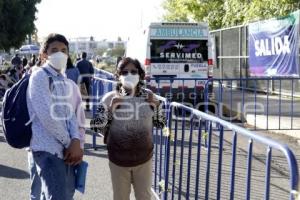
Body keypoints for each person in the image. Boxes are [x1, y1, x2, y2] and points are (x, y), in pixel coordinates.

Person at [91, 57, 166, 200]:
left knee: (144, 197)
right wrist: (111, 109)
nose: (129, 75)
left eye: (133, 71)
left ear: (140, 75)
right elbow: (96, 126)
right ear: (118, 76)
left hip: (144, 159)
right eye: (124, 72)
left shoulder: (150, 97)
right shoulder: (109, 98)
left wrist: (156, 106)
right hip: (118, 160)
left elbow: (160, 124)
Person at [26, 33, 84, 200]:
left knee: (61, 195)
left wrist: (76, 141)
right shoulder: (39, 77)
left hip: (65, 150)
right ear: (44, 55)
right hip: (47, 149)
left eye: (64, 50)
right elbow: (47, 116)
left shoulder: (64, 80)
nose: (60, 53)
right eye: (54, 50)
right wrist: (70, 143)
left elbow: (70, 114)